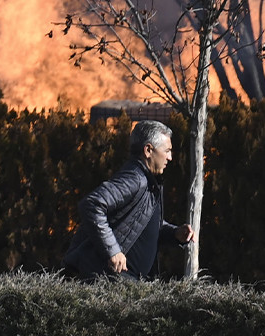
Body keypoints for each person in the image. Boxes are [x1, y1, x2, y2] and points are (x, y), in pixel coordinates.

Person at [63, 120, 195, 281]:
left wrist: (175, 233)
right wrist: (113, 251)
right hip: (109, 280)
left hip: (128, 282)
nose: (170, 157)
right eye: (167, 151)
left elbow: (142, 225)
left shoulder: (149, 181)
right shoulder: (135, 179)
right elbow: (92, 204)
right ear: (148, 150)